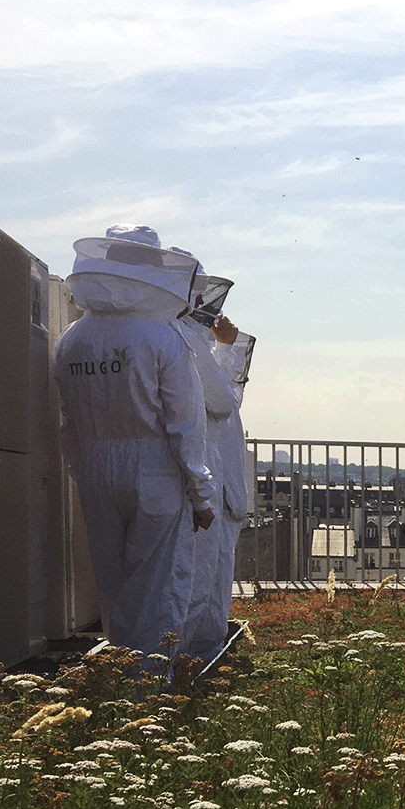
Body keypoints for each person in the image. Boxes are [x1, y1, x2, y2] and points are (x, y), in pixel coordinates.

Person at [53, 225, 215, 658]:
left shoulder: (72, 340)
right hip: (156, 470)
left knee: (114, 584)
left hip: (94, 469)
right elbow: (185, 424)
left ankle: (116, 686)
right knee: (158, 586)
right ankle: (145, 697)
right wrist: (201, 494)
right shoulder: (162, 336)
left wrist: (83, 472)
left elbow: (67, 423)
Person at [172, 256, 255, 660]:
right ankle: (193, 658)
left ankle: (199, 653)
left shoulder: (182, 339)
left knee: (210, 574)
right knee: (201, 578)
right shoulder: (185, 341)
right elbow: (222, 402)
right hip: (205, 481)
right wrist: (227, 350)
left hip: (209, 480)